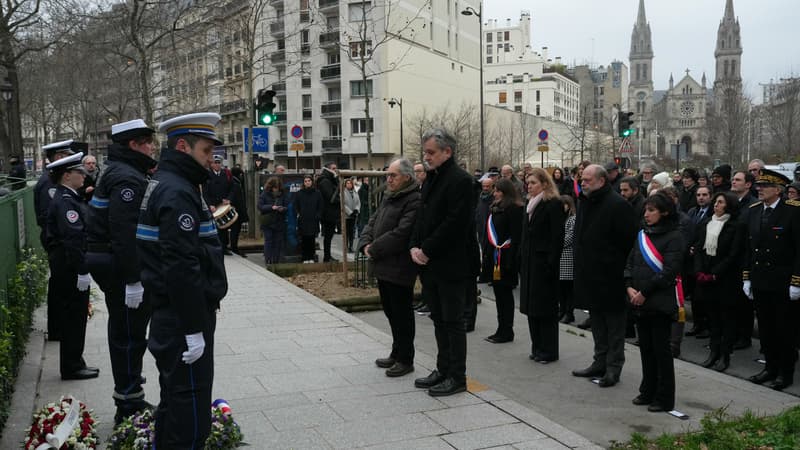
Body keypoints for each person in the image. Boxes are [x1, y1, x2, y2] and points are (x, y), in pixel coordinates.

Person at [137, 112, 228, 447]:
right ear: (182, 146)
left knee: (174, 404)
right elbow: (180, 266)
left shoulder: (173, 183)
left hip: (171, 315)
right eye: (205, 151)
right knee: (190, 413)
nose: (210, 159)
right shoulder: (177, 192)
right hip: (181, 319)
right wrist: (193, 328)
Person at [86, 119, 157, 423]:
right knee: (129, 334)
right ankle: (128, 403)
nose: (152, 147)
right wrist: (133, 280)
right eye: (148, 142)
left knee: (125, 330)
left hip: (107, 260)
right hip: (118, 266)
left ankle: (129, 395)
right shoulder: (127, 178)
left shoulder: (120, 171)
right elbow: (125, 233)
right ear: (133, 145)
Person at [410, 128, 475, 397]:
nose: (426, 157)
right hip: (431, 263)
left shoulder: (461, 180)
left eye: (431, 152)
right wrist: (414, 244)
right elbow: (422, 215)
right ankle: (442, 368)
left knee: (453, 321)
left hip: (452, 263)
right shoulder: (432, 179)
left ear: (447, 152)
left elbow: (455, 223)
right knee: (438, 318)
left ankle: (457, 376)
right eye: (425, 152)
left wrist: (426, 249)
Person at [572, 164, 637, 387]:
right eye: (582, 179)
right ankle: (599, 362)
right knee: (598, 323)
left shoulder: (618, 205)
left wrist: (616, 268)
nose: (583, 182)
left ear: (601, 181)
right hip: (590, 276)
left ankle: (613, 367)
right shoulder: (585, 202)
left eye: (588, 179)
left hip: (612, 277)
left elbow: (628, 243)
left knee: (614, 326)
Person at [359, 158, 421, 377]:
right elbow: (372, 221)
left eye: (393, 176)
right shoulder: (390, 197)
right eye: (388, 175)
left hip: (399, 267)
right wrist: (365, 242)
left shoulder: (413, 199)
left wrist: (374, 248)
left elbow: (401, 234)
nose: (389, 179)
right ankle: (396, 351)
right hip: (383, 265)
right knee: (390, 311)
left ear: (406, 177)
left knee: (402, 313)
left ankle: (406, 358)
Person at [625, 192, 683, 413]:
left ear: (665, 212)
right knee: (646, 348)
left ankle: (664, 397)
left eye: (652, 210)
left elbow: (669, 271)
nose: (646, 214)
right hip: (639, 299)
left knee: (661, 351)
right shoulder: (642, 234)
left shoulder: (674, 236)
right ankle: (647, 390)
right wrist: (629, 285)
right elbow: (630, 261)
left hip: (659, 301)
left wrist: (644, 291)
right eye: (646, 210)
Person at [742, 168, 800, 391]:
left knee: (784, 329)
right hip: (760, 279)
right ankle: (770, 368)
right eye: (759, 186)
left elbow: (797, 250)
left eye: (765, 186)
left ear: (778, 189)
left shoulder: (792, 211)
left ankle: (785, 373)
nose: (760, 190)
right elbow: (750, 247)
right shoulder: (755, 210)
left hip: (782, 281)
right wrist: (747, 277)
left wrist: (796, 281)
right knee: (766, 328)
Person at [44, 151, 100, 381]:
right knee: (74, 317)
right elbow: (73, 238)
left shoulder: (66, 196)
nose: (83, 175)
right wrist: (82, 271)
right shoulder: (66, 201)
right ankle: (72, 366)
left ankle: (75, 361)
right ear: (67, 175)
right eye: (79, 172)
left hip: (66, 265)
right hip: (69, 267)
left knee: (74, 316)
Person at [35, 139, 86, 342]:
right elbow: (57, 222)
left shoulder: (56, 185)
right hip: (61, 250)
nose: (82, 174)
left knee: (62, 294)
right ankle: (59, 331)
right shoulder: (51, 185)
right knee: (64, 297)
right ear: (58, 158)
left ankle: (60, 331)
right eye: (66, 155)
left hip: (61, 247)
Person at [694, 191, 744, 372]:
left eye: (720, 202)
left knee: (727, 320)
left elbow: (733, 254)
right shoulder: (707, 223)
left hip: (725, 280)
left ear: (728, 205)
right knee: (713, 319)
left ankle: (725, 355)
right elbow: (699, 248)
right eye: (715, 202)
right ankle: (713, 352)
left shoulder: (735, 226)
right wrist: (700, 271)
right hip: (707, 279)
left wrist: (715, 273)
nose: (716, 205)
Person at [519, 168, 565, 361]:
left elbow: (557, 237)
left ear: (545, 184)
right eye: (528, 183)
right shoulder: (530, 204)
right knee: (532, 308)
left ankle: (549, 350)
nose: (529, 186)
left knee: (545, 309)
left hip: (544, 264)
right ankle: (537, 347)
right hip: (530, 264)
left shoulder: (552, 204)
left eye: (533, 183)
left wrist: (550, 264)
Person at [481, 178, 523, 343]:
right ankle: (500, 328)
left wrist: (511, 259)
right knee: (499, 294)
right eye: (495, 190)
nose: (495, 193)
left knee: (505, 295)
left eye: (498, 191)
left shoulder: (514, 209)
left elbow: (516, 237)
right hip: (494, 257)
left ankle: (507, 330)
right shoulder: (495, 209)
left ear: (506, 192)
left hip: (506, 258)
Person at [204, 155, 233, 254]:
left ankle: (224, 247)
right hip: (212, 206)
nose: (217, 165)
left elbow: (232, 189)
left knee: (224, 227)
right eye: (215, 163)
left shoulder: (226, 174)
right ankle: (215, 248)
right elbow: (204, 192)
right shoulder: (207, 175)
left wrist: (228, 199)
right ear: (211, 164)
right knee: (214, 228)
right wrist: (209, 205)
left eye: (218, 163)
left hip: (223, 205)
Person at [258, 177, 289, 264]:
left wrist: (282, 209)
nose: (276, 189)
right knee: (268, 241)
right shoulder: (264, 194)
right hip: (268, 222)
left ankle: (275, 260)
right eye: (274, 187)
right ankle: (268, 259)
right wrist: (271, 207)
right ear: (271, 187)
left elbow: (287, 206)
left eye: (277, 187)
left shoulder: (283, 194)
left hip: (279, 221)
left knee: (277, 242)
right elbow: (260, 206)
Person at [294, 175, 323, 263]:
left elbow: (321, 205)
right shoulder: (299, 193)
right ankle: (305, 257)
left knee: (312, 239)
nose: (307, 182)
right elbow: (296, 205)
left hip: (313, 219)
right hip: (303, 219)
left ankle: (311, 257)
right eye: (305, 181)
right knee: (304, 239)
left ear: (312, 182)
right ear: (303, 183)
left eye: (309, 181)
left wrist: (318, 215)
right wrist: (299, 213)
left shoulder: (317, 193)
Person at [559, 195, 577, 324]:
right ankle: (562, 310)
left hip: (567, 257)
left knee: (568, 288)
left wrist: (555, 243)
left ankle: (569, 313)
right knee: (561, 288)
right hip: (559, 257)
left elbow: (569, 238)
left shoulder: (572, 219)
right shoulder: (560, 219)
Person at [317, 162, 340, 262]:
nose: (335, 170)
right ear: (328, 169)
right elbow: (331, 197)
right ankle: (327, 256)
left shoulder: (329, 180)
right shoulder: (325, 181)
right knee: (328, 236)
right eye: (333, 168)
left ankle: (328, 256)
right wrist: (340, 200)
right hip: (327, 213)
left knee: (329, 236)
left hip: (330, 212)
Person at [228, 167, 249, 256]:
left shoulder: (235, 182)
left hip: (236, 209)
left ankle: (233, 247)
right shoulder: (236, 183)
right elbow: (238, 199)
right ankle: (234, 247)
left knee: (235, 230)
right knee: (235, 230)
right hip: (237, 210)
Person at [343, 178, 361, 252]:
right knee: (346, 232)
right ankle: (346, 247)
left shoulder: (355, 192)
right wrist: (350, 212)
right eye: (347, 183)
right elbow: (343, 204)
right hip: (346, 216)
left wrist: (356, 209)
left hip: (354, 215)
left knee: (351, 232)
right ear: (345, 184)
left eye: (350, 183)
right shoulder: (343, 192)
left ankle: (351, 246)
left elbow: (358, 202)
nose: (349, 184)